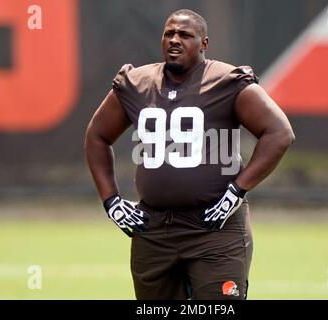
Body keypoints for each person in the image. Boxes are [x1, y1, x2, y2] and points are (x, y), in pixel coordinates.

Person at [84, 9, 295, 300]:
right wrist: (111, 202)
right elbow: (97, 136)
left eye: (185, 35)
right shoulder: (137, 83)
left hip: (213, 227)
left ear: (204, 43)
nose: (174, 40)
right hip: (154, 229)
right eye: (168, 33)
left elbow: (279, 132)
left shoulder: (227, 82)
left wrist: (237, 190)